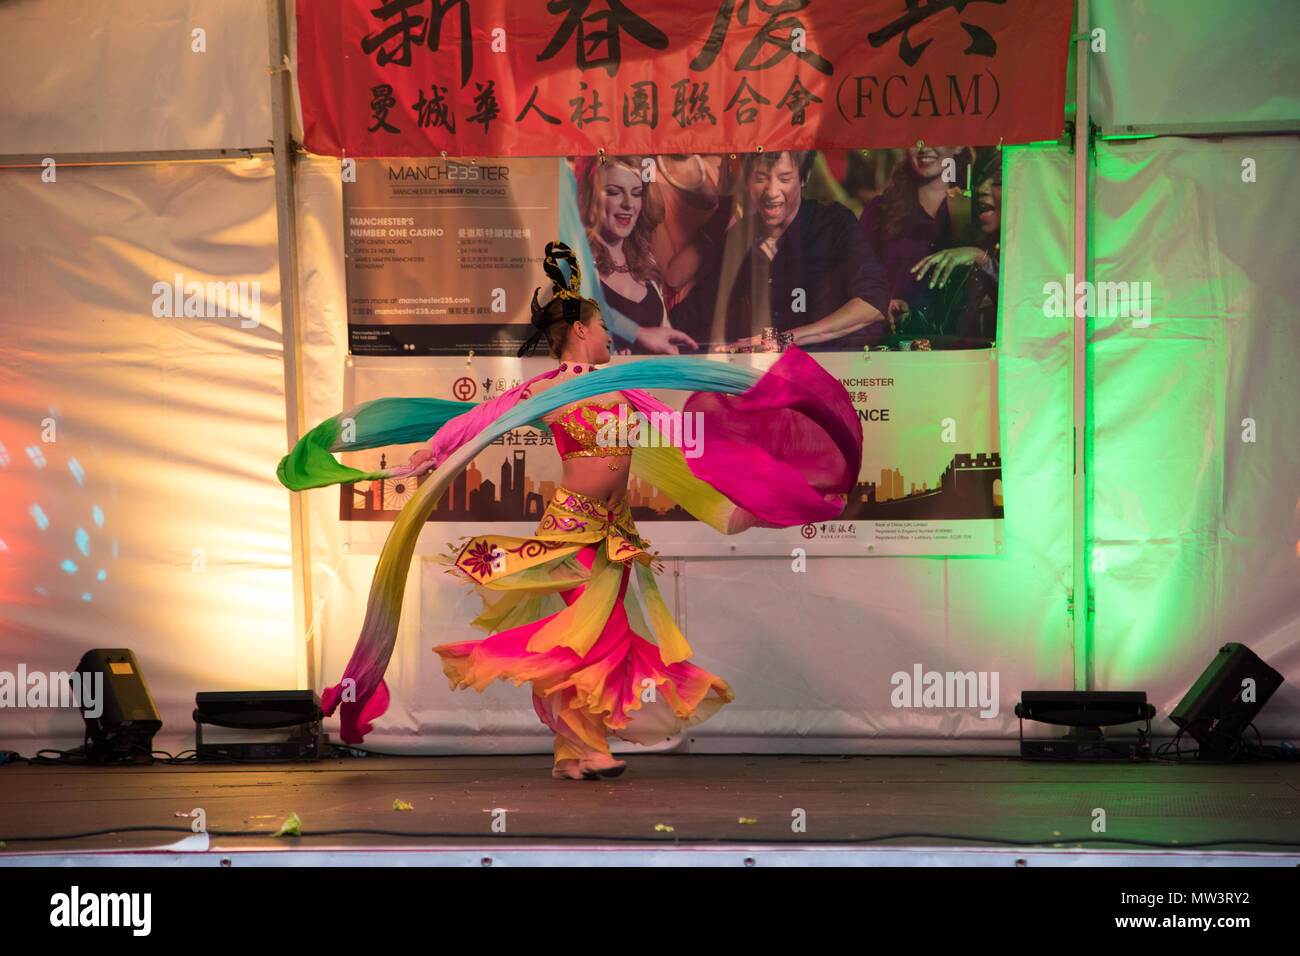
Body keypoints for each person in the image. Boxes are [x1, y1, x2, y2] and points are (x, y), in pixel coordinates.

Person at [277, 241, 864, 780]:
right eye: (603, 326)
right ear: (581, 330)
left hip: (616, 537)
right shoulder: (551, 391)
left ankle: (568, 755)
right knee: (596, 638)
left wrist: (748, 505)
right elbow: (482, 418)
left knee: (579, 643)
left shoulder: (629, 390)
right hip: (571, 533)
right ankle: (593, 748)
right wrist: (433, 450)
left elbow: (685, 452)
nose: (610, 336)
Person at [669, 150, 891, 351]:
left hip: (834, 369)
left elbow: (872, 304)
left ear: (804, 178)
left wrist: (785, 340)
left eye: (784, 178)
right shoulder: (742, 236)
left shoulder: (833, 224)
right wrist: (641, 331)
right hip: (774, 375)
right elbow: (699, 309)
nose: (771, 191)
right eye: (761, 178)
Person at [576, 156, 698, 356]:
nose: (628, 204)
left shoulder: (646, 263)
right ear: (591, 199)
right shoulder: (575, 261)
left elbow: (663, 338)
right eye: (614, 192)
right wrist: (636, 335)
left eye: (636, 194)